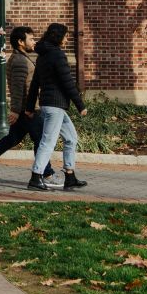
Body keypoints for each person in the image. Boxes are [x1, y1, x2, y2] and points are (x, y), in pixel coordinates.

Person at [0, 26, 60, 187]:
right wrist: (16, 110)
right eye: (31, 39)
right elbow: (18, 88)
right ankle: (46, 174)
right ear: (20, 42)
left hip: (27, 108)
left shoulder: (22, 57)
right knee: (41, 140)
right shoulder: (20, 60)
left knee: (13, 138)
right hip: (29, 109)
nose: (34, 41)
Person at [23, 22, 89, 192]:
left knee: (71, 138)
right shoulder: (58, 55)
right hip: (55, 106)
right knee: (48, 142)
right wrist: (80, 105)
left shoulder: (43, 55)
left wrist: (30, 107)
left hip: (50, 105)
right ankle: (35, 177)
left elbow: (35, 84)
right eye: (65, 36)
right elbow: (68, 83)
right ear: (58, 37)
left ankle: (70, 176)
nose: (67, 39)